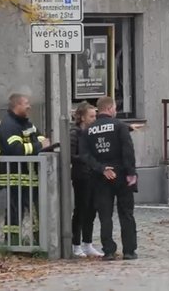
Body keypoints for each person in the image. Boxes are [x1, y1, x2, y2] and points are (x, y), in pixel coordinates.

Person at [79, 96, 138, 261]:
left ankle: (109, 251)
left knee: (105, 215)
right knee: (126, 213)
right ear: (111, 108)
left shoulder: (88, 130)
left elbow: (85, 155)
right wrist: (131, 173)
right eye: (115, 108)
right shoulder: (120, 126)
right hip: (122, 174)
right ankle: (129, 250)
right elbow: (128, 151)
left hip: (100, 177)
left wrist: (102, 168)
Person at [0, 93, 50, 244]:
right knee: (15, 211)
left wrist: (42, 144)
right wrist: (39, 146)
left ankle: (38, 243)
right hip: (15, 175)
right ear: (17, 105)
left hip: (28, 175)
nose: (29, 106)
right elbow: (15, 150)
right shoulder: (8, 125)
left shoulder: (26, 124)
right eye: (26, 103)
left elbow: (40, 137)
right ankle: (12, 242)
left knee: (34, 210)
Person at [70, 102, 103, 258]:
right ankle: (75, 244)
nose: (94, 119)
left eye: (95, 116)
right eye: (91, 116)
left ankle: (87, 243)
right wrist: (86, 159)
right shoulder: (75, 133)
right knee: (81, 210)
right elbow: (71, 155)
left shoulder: (93, 132)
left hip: (93, 175)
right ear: (82, 117)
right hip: (81, 176)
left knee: (92, 209)